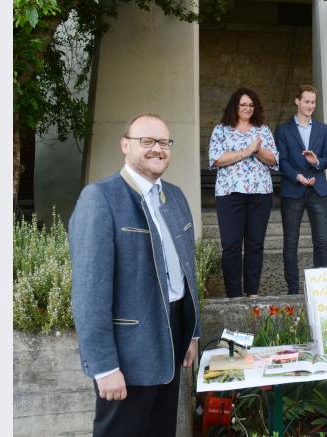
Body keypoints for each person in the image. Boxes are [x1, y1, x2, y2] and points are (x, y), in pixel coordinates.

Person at [70, 113, 201, 436]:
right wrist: (104, 366)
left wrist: (191, 333)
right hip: (128, 353)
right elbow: (89, 294)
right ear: (125, 145)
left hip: (171, 336)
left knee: (161, 430)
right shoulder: (100, 198)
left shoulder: (176, 196)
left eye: (164, 142)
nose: (158, 149)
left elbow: (187, 273)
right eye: (148, 141)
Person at [209, 88, 279, 298]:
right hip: (230, 194)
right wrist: (245, 151)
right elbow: (215, 159)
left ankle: (252, 292)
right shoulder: (221, 130)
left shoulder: (263, 130)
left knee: (255, 244)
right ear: (235, 107)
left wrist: (257, 150)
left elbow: (274, 160)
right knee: (231, 246)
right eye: (243, 105)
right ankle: (234, 295)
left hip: (260, 194)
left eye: (251, 105)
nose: (247, 108)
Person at [275, 85, 327, 294]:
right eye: (306, 101)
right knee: (290, 243)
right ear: (297, 101)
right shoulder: (283, 130)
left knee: (321, 241)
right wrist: (297, 176)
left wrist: (317, 161)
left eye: (313, 102)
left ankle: (321, 289)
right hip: (293, 190)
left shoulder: (322, 129)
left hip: (318, 191)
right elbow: (281, 161)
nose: (310, 106)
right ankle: (293, 289)